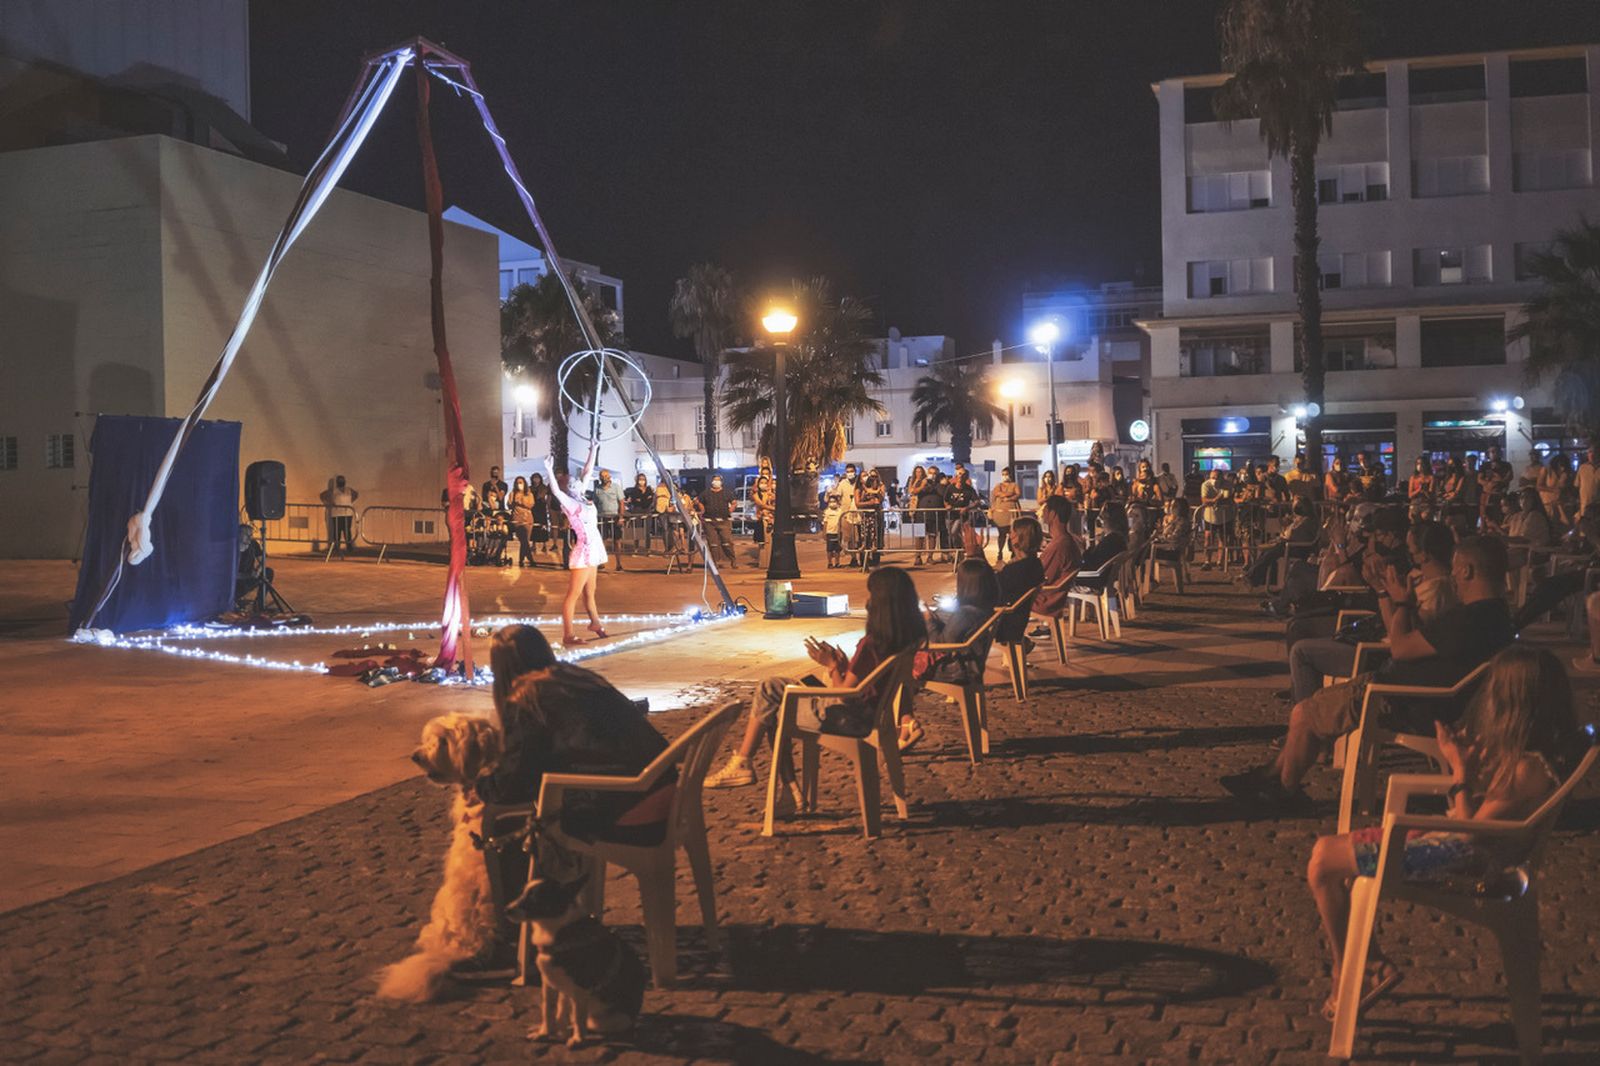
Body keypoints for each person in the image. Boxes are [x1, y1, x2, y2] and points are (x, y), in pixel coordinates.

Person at [1304, 645, 1585, 1022]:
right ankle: (1364, 964)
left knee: (1323, 862)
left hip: (1466, 863)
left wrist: (1459, 774)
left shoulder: (1527, 771)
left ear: (1512, 703)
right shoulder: (1533, 761)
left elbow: (1470, 836)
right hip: (1463, 850)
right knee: (1327, 853)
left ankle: (1356, 970)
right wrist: (1465, 769)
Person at [1222, 536, 1516, 813]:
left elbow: (1400, 648)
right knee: (1305, 712)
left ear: (1467, 570)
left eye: (1455, 570)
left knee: (1305, 713)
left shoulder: (1468, 620)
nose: (1452, 577)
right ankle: (1270, 776)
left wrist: (1401, 602)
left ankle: (1284, 791)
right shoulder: (1496, 616)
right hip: (1413, 692)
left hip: (1402, 700)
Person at [473, 625, 671, 959]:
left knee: (500, 819)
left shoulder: (528, 698)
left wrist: (479, 782)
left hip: (627, 803)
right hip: (658, 787)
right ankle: (553, 906)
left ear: (502, 669)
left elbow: (512, 782)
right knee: (530, 805)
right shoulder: (578, 678)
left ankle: (516, 932)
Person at [705, 567, 928, 789]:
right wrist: (842, 666)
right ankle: (772, 782)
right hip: (870, 712)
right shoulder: (905, 638)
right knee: (772, 685)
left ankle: (759, 771)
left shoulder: (871, 644)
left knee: (771, 705)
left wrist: (831, 666)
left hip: (850, 718)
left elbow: (845, 696)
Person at [1285, 520, 1456, 706]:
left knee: (1300, 652)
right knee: (1299, 628)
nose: (1409, 553)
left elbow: (1398, 635)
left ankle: (1304, 713)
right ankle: (1304, 698)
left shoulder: (1436, 591)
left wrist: (1382, 591)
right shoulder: (1420, 577)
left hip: (1378, 655)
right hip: (1373, 634)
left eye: (1411, 548)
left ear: (1424, 554)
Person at [901, 558, 1002, 751]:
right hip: (971, 665)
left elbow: (940, 643)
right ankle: (906, 722)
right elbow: (952, 635)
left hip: (957, 669)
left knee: (899, 669)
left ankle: (904, 725)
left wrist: (928, 619)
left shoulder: (966, 613)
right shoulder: (984, 609)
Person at [544, 451, 609, 645]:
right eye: (571, 482)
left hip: (594, 548)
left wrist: (593, 449)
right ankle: (568, 634)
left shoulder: (581, 497)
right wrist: (548, 470)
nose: (576, 481)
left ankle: (595, 622)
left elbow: (587, 472)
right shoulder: (570, 503)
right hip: (584, 550)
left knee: (591, 591)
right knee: (573, 594)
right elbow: (555, 492)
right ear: (568, 489)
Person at [995, 517, 1044, 644]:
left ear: (1017, 538)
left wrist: (976, 556)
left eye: (1011, 532)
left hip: (1001, 624)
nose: (1009, 536)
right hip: (1018, 619)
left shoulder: (1015, 570)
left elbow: (988, 588)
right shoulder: (1035, 565)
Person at [694, 474, 739, 569]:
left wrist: (729, 511)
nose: (716, 481)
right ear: (711, 481)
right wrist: (702, 510)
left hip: (724, 521)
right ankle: (714, 562)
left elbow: (734, 502)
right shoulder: (706, 493)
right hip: (709, 522)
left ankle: (733, 560)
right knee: (713, 544)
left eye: (718, 480)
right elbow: (698, 501)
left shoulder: (727, 492)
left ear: (721, 482)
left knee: (727, 542)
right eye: (715, 480)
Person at [1150, 496, 1194, 593]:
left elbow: (1174, 537)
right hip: (1172, 548)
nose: (1170, 508)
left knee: (1146, 553)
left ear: (1180, 508)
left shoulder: (1182, 522)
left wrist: (1159, 538)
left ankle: (1150, 580)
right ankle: (1150, 579)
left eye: (1174, 506)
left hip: (1172, 551)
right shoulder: (1177, 520)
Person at [590, 469, 625, 571]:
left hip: (614, 518)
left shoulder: (616, 487)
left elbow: (621, 502)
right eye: (602, 475)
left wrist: (621, 517)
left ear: (609, 477)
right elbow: (594, 504)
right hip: (602, 518)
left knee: (617, 541)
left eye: (606, 475)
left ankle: (619, 564)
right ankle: (601, 562)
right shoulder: (597, 489)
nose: (604, 477)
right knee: (602, 541)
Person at [914, 467, 946, 566]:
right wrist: (923, 484)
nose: (932, 475)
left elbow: (943, 494)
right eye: (930, 473)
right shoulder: (922, 482)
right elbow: (913, 491)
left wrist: (941, 484)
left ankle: (930, 557)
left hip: (934, 514)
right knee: (919, 536)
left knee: (932, 535)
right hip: (921, 513)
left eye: (935, 473)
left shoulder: (940, 485)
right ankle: (918, 557)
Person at [989, 467, 1021, 562]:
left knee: (1013, 534)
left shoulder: (1014, 485)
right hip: (1000, 515)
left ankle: (1013, 552)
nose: (1005, 476)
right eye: (1003, 474)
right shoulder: (998, 485)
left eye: (1006, 474)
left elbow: (1017, 494)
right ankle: (1000, 552)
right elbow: (996, 493)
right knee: (1001, 534)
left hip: (1011, 513)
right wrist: (1008, 494)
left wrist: (1008, 497)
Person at [509, 475, 537, 568]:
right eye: (517, 482)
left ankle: (521, 559)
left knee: (526, 540)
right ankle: (530, 559)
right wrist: (513, 502)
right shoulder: (513, 493)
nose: (519, 484)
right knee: (523, 539)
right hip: (517, 517)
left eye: (521, 482)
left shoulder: (529, 493)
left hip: (528, 517)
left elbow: (531, 504)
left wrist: (521, 501)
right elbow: (509, 504)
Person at [624, 472, 653, 555]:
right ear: (637, 481)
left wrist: (642, 500)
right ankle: (636, 549)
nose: (642, 481)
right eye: (640, 480)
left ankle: (648, 549)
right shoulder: (634, 490)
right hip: (637, 511)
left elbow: (649, 501)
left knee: (647, 531)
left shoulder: (649, 489)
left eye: (643, 480)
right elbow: (635, 501)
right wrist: (645, 499)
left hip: (647, 511)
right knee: (638, 530)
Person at [328, 474, 358, 556]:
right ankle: (336, 547)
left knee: (347, 530)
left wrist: (351, 501)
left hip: (347, 513)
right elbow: (324, 496)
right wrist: (332, 502)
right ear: (337, 482)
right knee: (337, 531)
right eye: (340, 480)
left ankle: (349, 546)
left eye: (342, 480)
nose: (341, 482)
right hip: (337, 514)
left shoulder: (349, 489)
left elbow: (356, 494)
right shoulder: (334, 490)